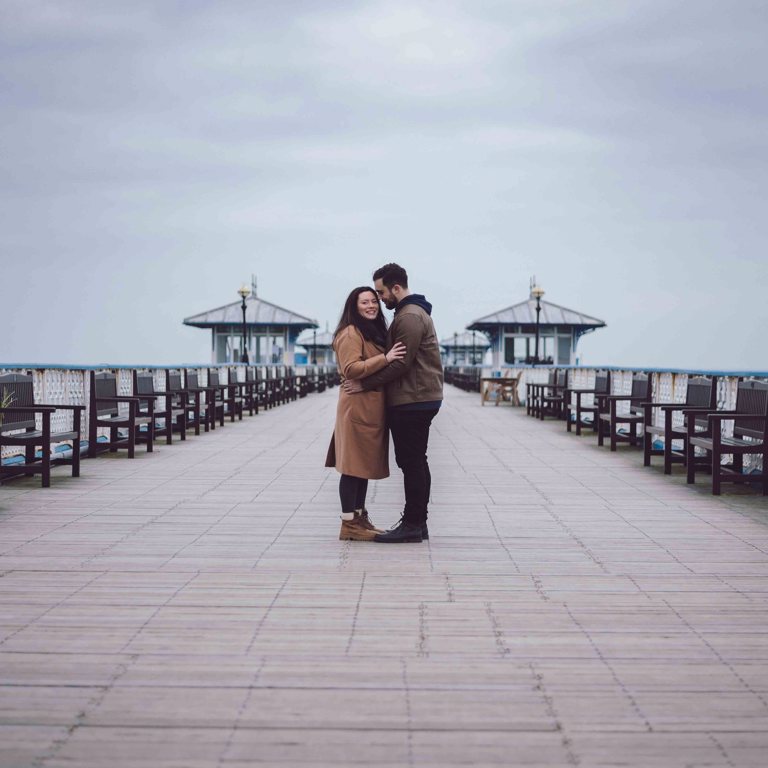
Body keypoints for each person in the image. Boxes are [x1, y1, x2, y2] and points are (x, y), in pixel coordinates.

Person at [342, 264, 443, 543]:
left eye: (381, 292)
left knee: (412, 463)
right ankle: (417, 523)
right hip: (417, 397)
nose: (379, 298)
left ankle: (413, 524)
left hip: (413, 398)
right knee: (415, 461)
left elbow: (400, 363)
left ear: (396, 288)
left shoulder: (409, 317)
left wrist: (365, 383)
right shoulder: (409, 313)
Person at [325, 286, 407, 541]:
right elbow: (351, 369)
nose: (371, 305)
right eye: (364, 302)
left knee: (362, 467)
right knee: (352, 467)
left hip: (369, 409)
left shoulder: (368, 332)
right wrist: (386, 357)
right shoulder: (350, 333)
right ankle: (349, 523)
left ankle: (359, 519)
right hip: (356, 409)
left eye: (374, 301)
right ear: (354, 307)